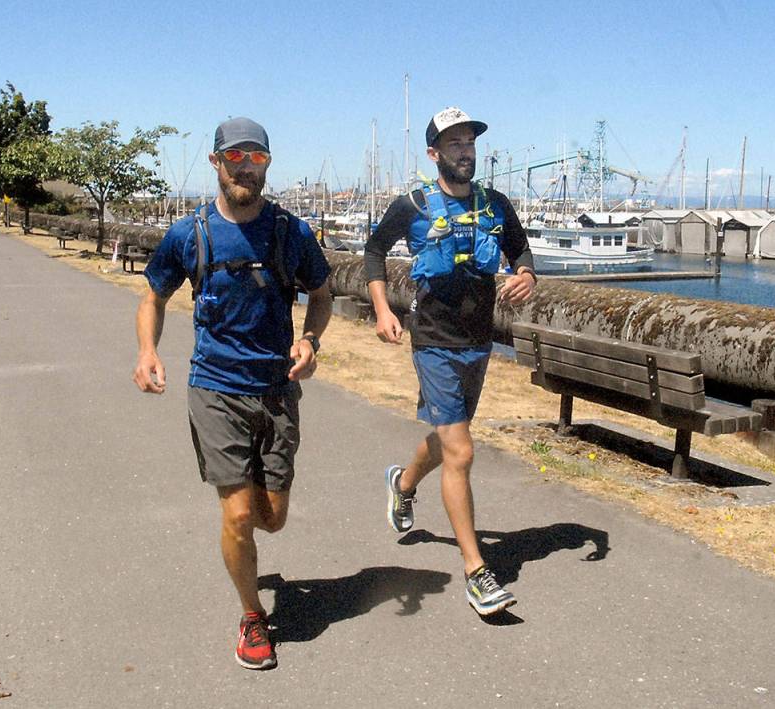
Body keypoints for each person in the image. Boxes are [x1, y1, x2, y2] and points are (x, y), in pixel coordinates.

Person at [132, 117, 332, 670]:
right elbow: (153, 297)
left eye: (256, 158)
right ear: (216, 162)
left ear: (267, 164)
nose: (246, 167)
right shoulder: (189, 233)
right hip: (215, 388)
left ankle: (250, 556)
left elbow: (321, 293)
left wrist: (310, 340)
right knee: (239, 515)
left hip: (276, 390)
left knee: (272, 518)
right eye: (235, 157)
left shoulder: (291, 233)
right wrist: (147, 351)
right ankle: (252, 616)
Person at [364, 107, 537, 616]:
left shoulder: (495, 204)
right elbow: (373, 252)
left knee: (447, 440)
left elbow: (521, 252)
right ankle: (476, 571)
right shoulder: (413, 204)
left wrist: (527, 275)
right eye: (455, 143)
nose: (465, 151)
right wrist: (382, 309)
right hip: (433, 341)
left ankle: (403, 483)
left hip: (478, 342)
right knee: (461, 452)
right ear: (434, 153)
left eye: (470, 143)